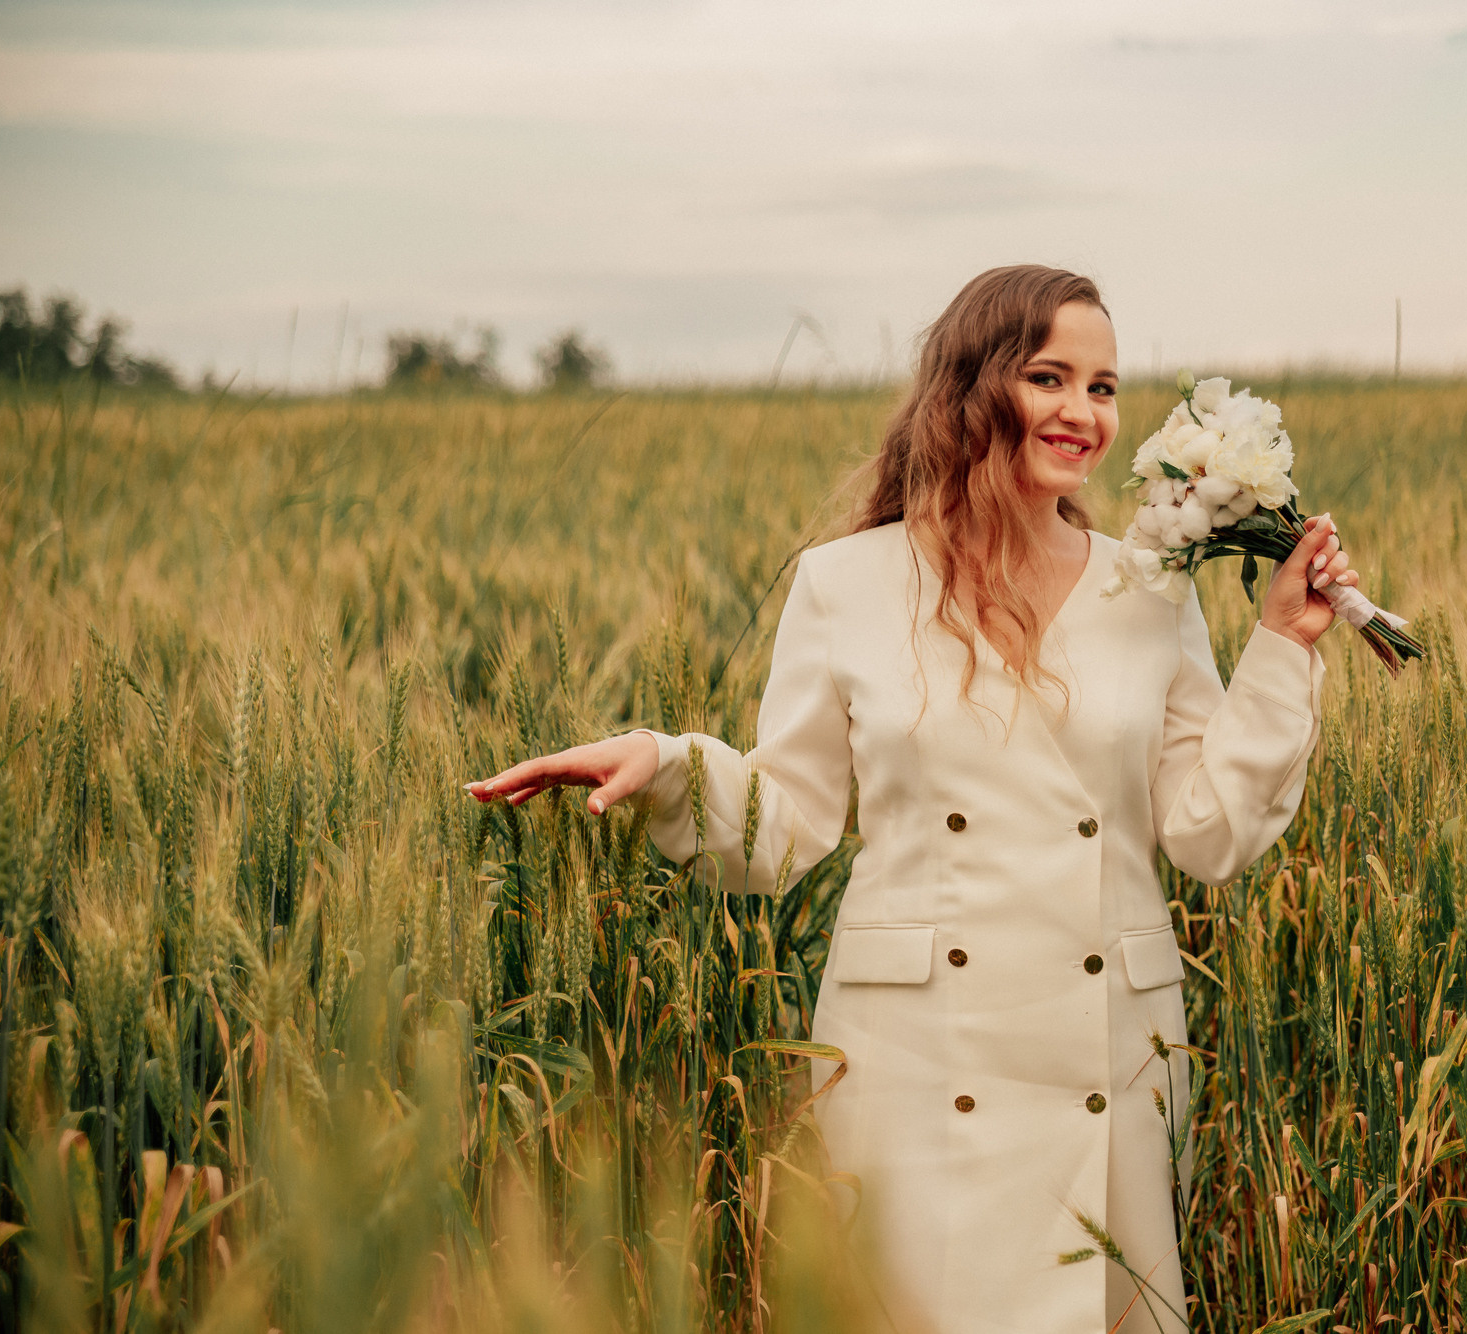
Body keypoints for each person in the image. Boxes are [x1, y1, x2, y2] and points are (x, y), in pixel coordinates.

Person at [469, 265, 1358, 1334]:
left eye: (1104, 385)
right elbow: (784, 820)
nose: (1083, 412)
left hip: (1105, 1054)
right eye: (1048, 376)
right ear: (971, 387)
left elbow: (1208, 833)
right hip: (917, 1055)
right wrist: (663, 760)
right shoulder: (842, 583)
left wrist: (1280, 646)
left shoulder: (1149, 593)